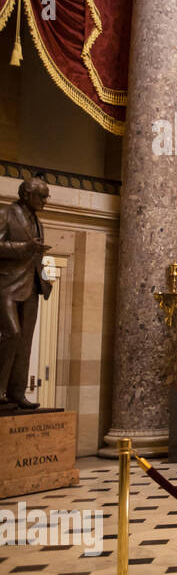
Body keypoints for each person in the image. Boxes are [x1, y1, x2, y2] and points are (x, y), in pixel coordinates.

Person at [0, 175, 51, 408]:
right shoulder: (6, 214)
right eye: (42, 196)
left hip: (31, 287)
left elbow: (36, 257)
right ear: (27, 194)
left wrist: (44, 280)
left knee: (25, 342)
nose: (45, 200)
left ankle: (17, 393)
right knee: (12, 334)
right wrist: (25, 247)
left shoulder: (37, 220)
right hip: (8, 285)